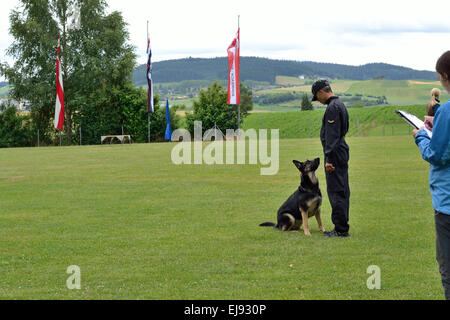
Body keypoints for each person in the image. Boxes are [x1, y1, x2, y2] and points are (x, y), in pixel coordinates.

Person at [413, 50, 450, 300]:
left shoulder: (446, 111)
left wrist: (421, 137)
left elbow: (438, 155)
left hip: (447, 204)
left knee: (448, 268)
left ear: (445, 76)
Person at [312, 80, 350, 238]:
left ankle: (340, 229)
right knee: (342, 189)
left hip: (335, 154)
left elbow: (332, 136)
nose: (318, 101)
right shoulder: (340, 104)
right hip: (341, 151)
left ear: (321, 92)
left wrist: (328, 159)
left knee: (336, 191)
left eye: (317, 97)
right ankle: (342, 226)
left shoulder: (333, 108)